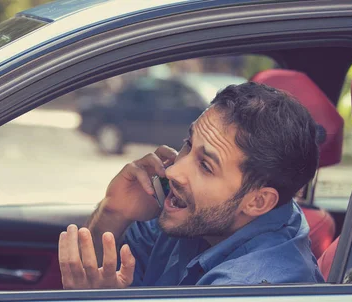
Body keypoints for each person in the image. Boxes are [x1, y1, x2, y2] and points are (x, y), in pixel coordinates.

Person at [58, 82, 324, 289]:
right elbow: (101, 276)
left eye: (206, 166)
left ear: (258, 201)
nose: (173, 171)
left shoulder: (248, 291)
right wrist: (113, 213)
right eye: (188, 144)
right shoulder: (194, 214)